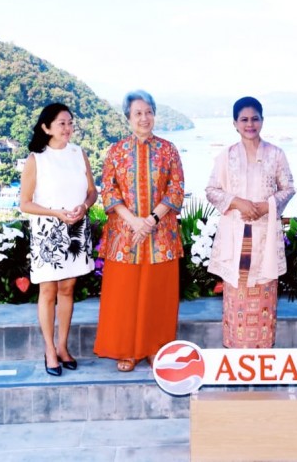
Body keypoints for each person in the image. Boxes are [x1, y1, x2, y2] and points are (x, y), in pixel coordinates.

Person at [94, 90, 184, 372]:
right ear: (128, 118)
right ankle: (128, 350)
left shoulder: (168, 149)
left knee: (158, 294)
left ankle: (155, 348)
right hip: (125, 236)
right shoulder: (116, 151)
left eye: (148, 112)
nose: (144, 118)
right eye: (138, 113)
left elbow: (177, 188)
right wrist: (134, 222)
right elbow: (108, 190)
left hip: (161, 235)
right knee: (125, 295)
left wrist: (151, 220)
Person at [206, 97, 295, 348]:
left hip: (264, 237)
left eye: (255, 118)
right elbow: (212, 190)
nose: (250, 124)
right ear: (235, 123)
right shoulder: (226, 156)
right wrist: (238, 202)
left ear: (262, 121)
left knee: (264, 291)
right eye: (244, 119)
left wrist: (267, 206)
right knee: (236, 294)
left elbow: (288, 188)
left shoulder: (276, 154)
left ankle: (263, 352)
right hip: (236, 238)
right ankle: (235, 351)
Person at [20, 103, 97, 376]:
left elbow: (92, 192)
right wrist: (54, 213)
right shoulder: (36, 159)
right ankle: (49, 350)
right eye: (61, 123)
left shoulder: (79, 154)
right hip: (47, 234)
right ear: (46, 127)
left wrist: (84, 207)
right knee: (48, 291)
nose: (68, 128)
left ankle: (63, 347)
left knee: (68, 289)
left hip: (75, 230)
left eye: (70, 122)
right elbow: (25, 204)